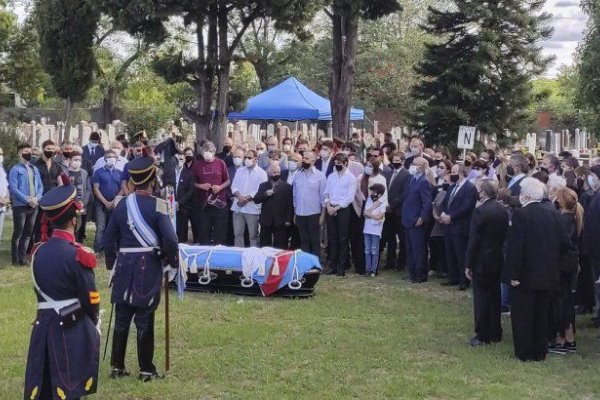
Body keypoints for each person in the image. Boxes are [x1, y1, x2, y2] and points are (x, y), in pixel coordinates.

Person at [103, 155, 178, 381]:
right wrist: (170, 262)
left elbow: (108, 241)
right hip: (148, 266)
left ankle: (117, 366)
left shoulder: (120, 205)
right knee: (144, 317)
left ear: (133, 180)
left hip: (124, 265)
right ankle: (146, 369)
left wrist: (111, 266)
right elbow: (172, 240)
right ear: (153, 179)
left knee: (122, 317)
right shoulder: (158, 205)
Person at [24, 182, 100, 400]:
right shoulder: (78, 254)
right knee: (69, 383)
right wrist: (93, 320)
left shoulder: (38, 252)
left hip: (43, 323)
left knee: (44, 381)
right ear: (74, 220)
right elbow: (91, 297)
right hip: (71, 325)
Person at [505, 177, 570, 362]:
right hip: (548, 274)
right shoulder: (554, 213)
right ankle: (540, 350)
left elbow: (516, 247)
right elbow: (565, 243)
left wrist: (513, 274)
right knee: (542, 314)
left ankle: (524, 351)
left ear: (525, 195)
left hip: (525, 275)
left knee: (523, 315)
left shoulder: (521, 215)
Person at [465, 180, 508, 346]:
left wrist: (469, 263)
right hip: (497, 257)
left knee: (481, 298)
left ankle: (482, 333)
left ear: (483, 193)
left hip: (482, 259)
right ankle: (495, 331)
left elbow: (474, 240)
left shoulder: (480, 211)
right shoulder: (502, 209)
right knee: (494, 296)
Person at [548, 188, 582, 355]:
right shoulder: (574, 217)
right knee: (566, 301)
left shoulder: (563, 220)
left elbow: (561, 243)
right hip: (569, 265)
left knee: (560, 302)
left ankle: (561, 339)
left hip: (561, 266)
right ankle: (569, 338)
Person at [440, 164, 478, 290]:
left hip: (461, 226)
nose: (452, 174)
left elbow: (467, 207)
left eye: (454, 172)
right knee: (450, 253)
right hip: (449, 226)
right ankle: (453, 277)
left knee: (461, 254)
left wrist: (451, 217)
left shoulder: (470, 188)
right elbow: (446, 203)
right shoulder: (452, 187)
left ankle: (464, 280)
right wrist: (444, 214)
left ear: (461, 174)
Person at [9, 143, 44, 265]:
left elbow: (40, 186)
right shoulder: (15, 169)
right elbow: (13, 188)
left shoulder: (34, 169)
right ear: (19, 153)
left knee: (28, 233)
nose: (28, 153)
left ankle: (22, 259)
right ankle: (14, 260)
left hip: (34, 205)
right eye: (25, 151)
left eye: (30, 151)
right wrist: (26, 199)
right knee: (18, 233)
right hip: (20, 206)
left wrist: (37, 198)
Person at [323, 153, 357, 276]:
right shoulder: (331, 176)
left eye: (339, 163)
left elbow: (349, 198)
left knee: (343, 238)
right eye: (336, 163)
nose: (337, 165)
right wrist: (328, 206)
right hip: (330, 208)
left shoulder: (351, 178)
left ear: (345, 163)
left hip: (342, 209)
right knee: (332, 239)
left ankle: (341, 267)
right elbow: (326, 193)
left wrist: (336, 208)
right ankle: (332, 265)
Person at [401, 157, 433, 283]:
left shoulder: (424, 181)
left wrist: (422, 217)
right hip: (408, 219)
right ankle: (412, 273)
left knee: (418, 249)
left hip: (416, 220)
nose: (413, 166)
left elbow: (427, 202)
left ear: (422, 167)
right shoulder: (412, 179)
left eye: (416, 164)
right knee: (410, 248)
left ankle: (420, 275)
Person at [352, 159, 387, 274]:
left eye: (370, 166)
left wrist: (371, 210)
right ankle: (363, 267)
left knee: (374, 244)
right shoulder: (361, 178)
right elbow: (355, 194)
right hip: (361, 208)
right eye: (366, 165)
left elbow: (383, 198)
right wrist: (359, 210)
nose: (368, 168)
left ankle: (373, 268)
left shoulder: (380, 179)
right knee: (362, 241)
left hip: (375, 209)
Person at [192, 142, 230, 245]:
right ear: (202, 152)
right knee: (204, 234)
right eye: (205, 151)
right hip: (204, 206)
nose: (208, 153)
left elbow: (227, 181)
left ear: (214, 152)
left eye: (210, 151)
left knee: (220, 235)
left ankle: (219, 256)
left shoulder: (221, 163)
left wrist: (220, 187)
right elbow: (192, 183)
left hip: (219, 204)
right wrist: (201, 186)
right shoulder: (197, 165)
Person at [231, 150, 267, 247]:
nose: (247, 160)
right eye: (246, 157)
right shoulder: (240, 171)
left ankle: (253, 258)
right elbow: (234, 186)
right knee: (237, 235)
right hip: (238, 207)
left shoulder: (262, 173)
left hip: (252, 209)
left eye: (249, 158)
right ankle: (239, 257)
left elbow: (259, 190)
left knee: (253, 236)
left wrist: (246, 199)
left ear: (256, 159)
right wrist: (239, 197)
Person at [293, 151, 326, 256]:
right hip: (300, 213)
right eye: (303, 158)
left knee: (315, 241)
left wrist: (323, 215)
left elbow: (324, 198)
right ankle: (306, 266)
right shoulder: (297, 175)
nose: (304, 160)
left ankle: (316, 267)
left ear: (313, 160)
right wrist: (295, 213)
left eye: (306, 158)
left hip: (314, 214)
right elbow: (295, 196)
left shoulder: (320, 176)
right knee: (304, 241)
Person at [254, 162, 293, 249]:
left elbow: (289, 204)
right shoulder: (263, 185)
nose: (276, 174)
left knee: (281, 245)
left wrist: (288, 219)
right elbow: (256, 200)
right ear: (269, 173)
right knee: (264, 245)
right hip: (266, 221)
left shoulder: (287, 187)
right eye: (274, 172)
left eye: (278, 172)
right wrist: (265, 194)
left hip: (280, 221)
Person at [384, 152, 411, 271]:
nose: (395, 162)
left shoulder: (407, 175)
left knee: (402, 238)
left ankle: (401, 264)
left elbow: (405, 194)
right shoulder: (388, 173)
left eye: (398, 160)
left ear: (403, 161)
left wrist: (392, 204)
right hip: (388, 211)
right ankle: (390, 261)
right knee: (390, 238)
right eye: (393, 160)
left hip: (399, 211)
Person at [92, 150, 122, 253]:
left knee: (112, 227)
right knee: (101, 227)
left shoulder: (119, 173)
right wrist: (105, 202)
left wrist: (114, 201)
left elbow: (122, 189)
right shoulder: (98, 172)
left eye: (113, 157)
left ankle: (111, 248)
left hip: (115, 204)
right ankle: (98, 249)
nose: (111, 158)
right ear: (105, 159)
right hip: (100, 204)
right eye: (109, 157)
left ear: (117, 159)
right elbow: (96, 188)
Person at [31, 140, 62, 245]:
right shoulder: (36, 165)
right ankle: (36, 247)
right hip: (40, 199)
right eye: (48, 149)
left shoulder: (56, 165)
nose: (51, 151)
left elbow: (60, 183)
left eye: (52, 149)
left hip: (53, 200)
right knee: (39, 225)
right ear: (43, 149)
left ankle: (50, 246)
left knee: (52, 224)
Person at [67, 151, 92, 243]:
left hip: (81, 206)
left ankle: (80, 245)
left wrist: (83, 202)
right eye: (75, 159)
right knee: (70, 226)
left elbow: (88, 190)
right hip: (69, 205)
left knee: (80, 228)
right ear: (70, 160)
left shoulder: (84, 173)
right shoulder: (65, 172)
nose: (77, 162)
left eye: (79, 160)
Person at [363, 183, 387, 277]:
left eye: (374, 192)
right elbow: (365, 213)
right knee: (367, 250)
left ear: (380, 195)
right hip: (367, 229)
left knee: (374, 250)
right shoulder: (369, 200)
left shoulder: (383, 203)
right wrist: (371, 215)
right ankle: (367, 269)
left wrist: (370, 214)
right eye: (372, 191)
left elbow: (379, 217)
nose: (372, 193)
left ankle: (374, 270)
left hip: (376, 230)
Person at [174, 153, 196, 243]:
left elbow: (190, 191)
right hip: (170, 206)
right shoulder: (169, 172)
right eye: (177, 159)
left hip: (183, 207)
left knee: (182, 231)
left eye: (181, 159)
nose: (179, 161)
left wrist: (179, 203)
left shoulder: (189, 174)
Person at [0, 147, 8, 243]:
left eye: (1, 155)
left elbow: (5, 186)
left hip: (2, 205)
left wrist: (7, 198)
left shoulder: (2, 169)